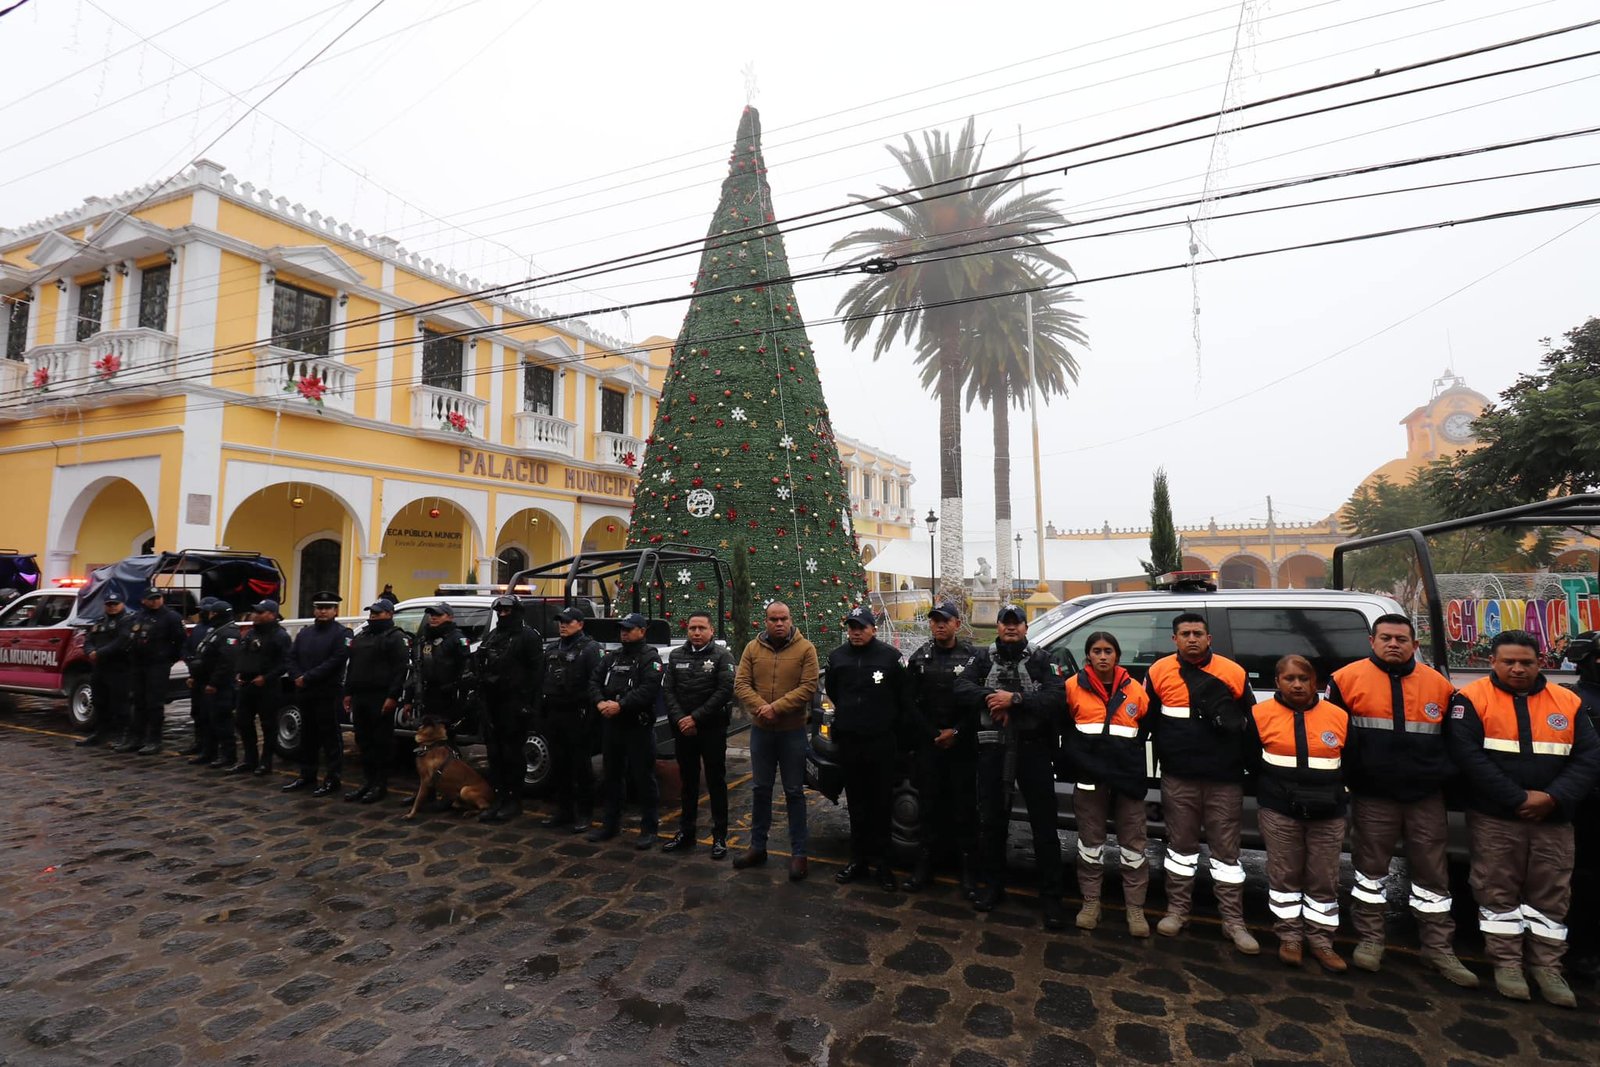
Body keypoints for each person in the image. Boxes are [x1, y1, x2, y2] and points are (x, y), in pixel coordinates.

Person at [1447, 630, 1600, 1007]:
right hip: (1496, 816)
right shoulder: (1470, 699)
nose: (1518, 668)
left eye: (1526, 662)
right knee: (1496, 890)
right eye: (1509, 661)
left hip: (1554, 818)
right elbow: (1469, 757)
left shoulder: (1568, 701)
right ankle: (1507, 964)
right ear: (1494, 663)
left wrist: (1553, 797)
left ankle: (1548, 967)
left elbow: (1588, 758)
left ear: (1541, 663)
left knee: (1551, 894)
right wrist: (1517, 798)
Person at [1328, 614, 1476, 985]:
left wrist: (1442, 780)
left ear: (1414, 644)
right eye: (1386, 638)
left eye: (1401, 638)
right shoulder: (1346, 679)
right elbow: (1336, 736)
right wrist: (1352, 781)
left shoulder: (1437, 684)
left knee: (1432, 875)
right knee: (1368, 872)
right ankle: (1370, 940)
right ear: (1371, 641)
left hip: (1425, 796)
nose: (1394, 644)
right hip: (1373, 795)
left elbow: (1453, 741)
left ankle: (1439, 948)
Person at [1146, 611, 1258, 954]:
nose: (1192, 639)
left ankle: (1233, 921)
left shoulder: (1232, 672)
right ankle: (1177, 911)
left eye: (1198, 633)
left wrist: (1252, 774)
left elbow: (1249, 726)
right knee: (1180, 849)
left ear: (1209, 639)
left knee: (1227, 854)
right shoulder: (1159, 671)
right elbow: (1147, 721)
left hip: (1223, 778)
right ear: (1174, 639)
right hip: (1179, 776)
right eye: (1185, 633)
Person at [1246, 655, 1354, 972]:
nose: (1296, 684)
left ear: (1315, 683)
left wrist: (1335, 793)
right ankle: (1290, 937)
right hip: (1280, 810)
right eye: (1289, 678)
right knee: (1284, 875)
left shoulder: (1338, 716)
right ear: (1277, 682)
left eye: (1303, 679)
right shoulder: (1259, 714)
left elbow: (1352, 762)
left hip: (1328, 811)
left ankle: (1322, 941)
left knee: (1324, 878)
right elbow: (1250, 759)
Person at [963, 603, 1067, 930]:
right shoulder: (982, 658)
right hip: (993, 748)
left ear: (1025, 626)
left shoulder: (1042, 659)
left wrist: (1016, 702)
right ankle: (992, 886)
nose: (1011, 628)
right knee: (992, 821)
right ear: (997, 626)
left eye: (1016, 623)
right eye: (1005, 623)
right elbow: (962, 687)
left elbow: (1057, 697)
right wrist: (993, 698)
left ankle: (1051, 898)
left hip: (1033, 750)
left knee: (1044, 827)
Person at [1063, 631, 1153, 937]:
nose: (1103, 656)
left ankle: (1135, 909)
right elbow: (1065, 729)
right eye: (1097, 651)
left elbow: (1144, 729)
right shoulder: (1072, 687)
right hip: (1090, 780)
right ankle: (1091, 903)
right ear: (1088, 655)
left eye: (1108, 651)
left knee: (1134, 849)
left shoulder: (1135, 690)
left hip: (1127, 780)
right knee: (1090, 846)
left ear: (1117, 655)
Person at [826, 606, 913, 892]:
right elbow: (833, 691)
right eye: (852, 626)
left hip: (881, 743)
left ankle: (884, 866)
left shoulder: (889, 658)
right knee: (857, 806)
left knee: (881, 805)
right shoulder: (838, 658)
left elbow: (903, 698)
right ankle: (858, 860)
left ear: (873, 629)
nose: (856, 631)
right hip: (851, 743)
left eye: (861, 627)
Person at [732, 601, 819, 881]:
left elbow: (808, 686)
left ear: (790, 619)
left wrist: (777, 708)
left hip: (792, 732)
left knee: (794, 792)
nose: (779, 623)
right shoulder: (752, 649)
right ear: (765, 621)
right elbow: (741, 683)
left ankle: (799, 854)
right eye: (773, 619)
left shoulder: (806, 649)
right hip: (761, 731)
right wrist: (762, 708)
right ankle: (757, 847)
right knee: (760, 789)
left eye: (783, 618)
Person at [902, 599, 983, 896]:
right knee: (928, 809)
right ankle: (923, 868)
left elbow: (978, 703)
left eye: (945, 620)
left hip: (962, 746)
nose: (939, 624)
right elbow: (909, 703)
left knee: (965, 811)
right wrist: (932, 734)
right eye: (935, 620)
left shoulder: (973, 658)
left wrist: (957, 732)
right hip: (930, 745)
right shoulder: (920, 657)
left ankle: (968, 874)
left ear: (957, 624)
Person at [662, 610, 736, 858]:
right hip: (684, 729)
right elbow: (669, 691)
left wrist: (695, 718)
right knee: (688, 782)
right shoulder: (676, 656)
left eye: (701, 628)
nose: (696, 632)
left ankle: (719, 836)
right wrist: (682, 719)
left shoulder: (722, 656)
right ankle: (686, 831)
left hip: (711, 729)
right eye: (692, 628)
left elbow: (724, 691)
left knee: (716, 782)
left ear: (711, 630)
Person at [586, 612, 663, 849]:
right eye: (622, 629)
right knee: (612, 777)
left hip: (637, 727)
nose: (624, 632)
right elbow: (593, 682)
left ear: (642, 631)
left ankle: (649, 829)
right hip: (612, 726)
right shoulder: (612, 657)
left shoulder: (650, 657)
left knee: (643, 779)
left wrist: (620, 705)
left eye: (629, 629)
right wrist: (600, 703)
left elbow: (648, 689)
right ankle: (610, 825)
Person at [473, 594, 544, 823]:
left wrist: (529, 706)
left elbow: (536, 674)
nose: (503, 614)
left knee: (512, 755)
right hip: (492, 703)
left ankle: (513, 801)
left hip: (514, 704)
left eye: (506, 611)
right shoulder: (494, 635)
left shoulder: (528, 637)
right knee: (494, 755)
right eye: (500, 611)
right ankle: (500, 798)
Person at [540, 606, 602, 834]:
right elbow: (542, 678)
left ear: (580, 624)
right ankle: (563, 811)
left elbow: (596, 683)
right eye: (560, 621)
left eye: (567, 621)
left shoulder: (590, 649)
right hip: (555, 714)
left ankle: (584, 813)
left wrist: (592, 719)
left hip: (578, 714)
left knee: (581, 768)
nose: (562, 625)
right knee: (559, 765)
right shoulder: (553, 648)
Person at [343, 599, 411, 803]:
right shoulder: (363, 636)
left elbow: (400, 670)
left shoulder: (396, 637)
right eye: (371, 612)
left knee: (381, 743)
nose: (373, 616)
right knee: (363, 741)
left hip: (380, 697)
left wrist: (392, 696)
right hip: (360, 696)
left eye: (378, 613)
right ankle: (368, 782)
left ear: (389, 614)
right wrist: (348, 692)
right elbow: (352, 666)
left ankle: (380, 784)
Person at [285, 591, 353, 796]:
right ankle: (307, 775)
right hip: (305, 691)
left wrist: (308, 677)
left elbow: (337, 660)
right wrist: (297, 676)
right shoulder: (305, 633)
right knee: (307, 737)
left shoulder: (343, 633)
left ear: (335, 610)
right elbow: (291, 656)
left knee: (330, 737)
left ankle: (332, 778)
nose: (322, 611)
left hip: (327, 692)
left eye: (327, 608)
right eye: (319, 607)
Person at [121, 587, 185, 755]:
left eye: (158, 597)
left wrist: (167, 659)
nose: (155, 601)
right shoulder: (138, 616)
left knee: (155, 704)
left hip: (158, 665)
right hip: (138, 665)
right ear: (144, 600)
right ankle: (136, 738)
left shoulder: (171, 617)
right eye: (152, 598)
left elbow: (180, 643)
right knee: (138, 701)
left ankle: (154, 740)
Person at [233, 599, 291, 775]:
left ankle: (266, 762)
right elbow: (244, 655)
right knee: (243, 722)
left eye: (260, 612)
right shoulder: (251, 633)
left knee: (268, 726)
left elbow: (285, 663)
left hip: (267, 687)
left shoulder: (281, 636)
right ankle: (250, 760)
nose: (255, 615)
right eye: (255, 612)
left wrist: (266, 677)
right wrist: (239, 672)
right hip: (247, 685)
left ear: (271, 615)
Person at [76, 591, 133, 748]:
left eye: (115, 604)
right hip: (100, 668)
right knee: (100, 701)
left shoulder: (127, 621)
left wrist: (99, 653)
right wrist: (89, 651)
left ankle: (122, 735)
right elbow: (88, 640)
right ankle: (100, 733)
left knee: (120, 703)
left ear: (122, 604)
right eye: (109, 604)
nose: (112, 607)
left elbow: (122, 641)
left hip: (119, 668)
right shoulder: (100, 622)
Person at [410, 603, 470, 730]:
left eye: (438, 615)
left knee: (444, 737)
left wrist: (458, 695)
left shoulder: (457, 639)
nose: (433, 617)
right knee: (427, 736)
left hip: (448, 697)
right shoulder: (424, 638)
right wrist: (409, 698)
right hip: (426, 695)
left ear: (449, 617)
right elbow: (416, 668)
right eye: (431, 615)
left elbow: (466, 670)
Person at [197, 599, 241, 769]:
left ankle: (228, 755)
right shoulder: (216, 630)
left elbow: (227, 662)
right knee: (208, 719)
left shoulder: (229, 632)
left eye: (213, 613)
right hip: (207, 682)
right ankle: (209, 752)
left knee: (222, 721)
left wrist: (214, 682)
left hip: (221, 686)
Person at [178, 599, 216, 759]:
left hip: (209, 677)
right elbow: (187, 646)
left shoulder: (216, 629)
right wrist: (190, 662)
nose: (201, 613)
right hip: (196, 676)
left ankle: (210, 747)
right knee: (197, 712)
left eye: (204, 611)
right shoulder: (199, 628)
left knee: (209, 715)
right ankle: (198, 742)